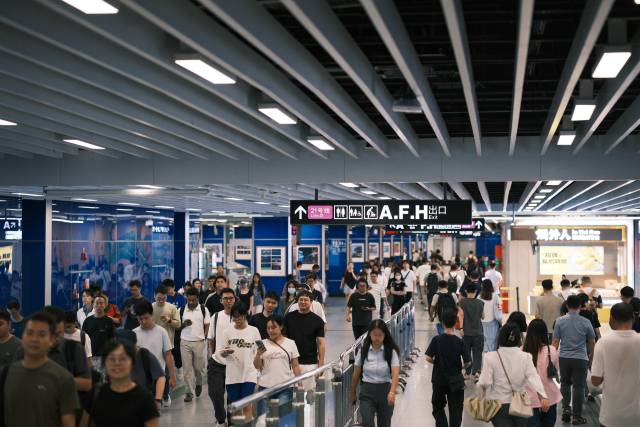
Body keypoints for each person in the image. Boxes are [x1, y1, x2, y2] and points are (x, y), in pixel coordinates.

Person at [4, 312, 78, 427]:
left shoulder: (64, 378)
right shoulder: (6, 374)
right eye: (29, 333)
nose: (34, 339)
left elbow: (68, 422)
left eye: (42, 334)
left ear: (52, 340)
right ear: (22, 336)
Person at [478, 322, 550, 427]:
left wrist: (484, 398)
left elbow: (485, 382)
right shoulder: (526, 357)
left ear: (500, 337)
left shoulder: (490, 357)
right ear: (519, 339)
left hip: (498, 405)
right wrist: (543, 396)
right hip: (521, 403)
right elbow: (534, 377)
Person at [85, 339, 160, 427]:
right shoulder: (96, 395)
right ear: (104, 364)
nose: (117, 363)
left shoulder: (145, 399)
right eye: (112, 359)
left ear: (132, 363)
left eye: (123, 359)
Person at [591, 302, 640, 427]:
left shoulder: (603, 343)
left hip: (611, 416)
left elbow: (595, 381)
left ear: (611, 319)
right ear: (633, 318)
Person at [552, 295, 595, 425]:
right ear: (580, 306)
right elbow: (591, 340)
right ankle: (576, 416)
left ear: (566, 305)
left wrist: (552, 358)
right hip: (581, 358)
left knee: (565, 383)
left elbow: (555, 342)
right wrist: (591, 355)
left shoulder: (559, 321)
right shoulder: (586, 322)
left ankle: (566, 409)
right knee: (579, 386)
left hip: (564, 357)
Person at [350, 319, 401, 427]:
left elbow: (395, 374)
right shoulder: (363, 351)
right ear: (369, 334)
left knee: (384, 423)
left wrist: (392, 392)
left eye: (380, 335)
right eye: (374, 335)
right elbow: (356, 374)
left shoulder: (391, 352)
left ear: (385, 335)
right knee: (367, 422)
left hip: (385, 392)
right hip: (367, 392)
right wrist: (353, 391)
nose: (377, 338)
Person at [216, 302, 261, 422]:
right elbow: (221, 352)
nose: (237, 319)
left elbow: (260, 349)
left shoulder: (254, 331)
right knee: (236, 407)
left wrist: (259, 366)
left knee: (246, 405)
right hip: (232, 375)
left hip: (249, 374)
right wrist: (225, 352)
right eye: (235, 317)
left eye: (240, 316)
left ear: (245, 315)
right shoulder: (226, 332)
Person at [425, 310, 471, 427]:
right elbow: (468, 362)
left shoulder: (436, 340)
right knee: (456, 409)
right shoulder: (460, 342)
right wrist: (461, 367)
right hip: (456, 379)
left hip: (439, 379)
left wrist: (437, 363)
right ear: (456, 323)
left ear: (442, 323)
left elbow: (428, 358)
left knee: (438, 406)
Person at [253, 315, 301, 417]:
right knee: (263, 419)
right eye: (268, 328)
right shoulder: (262, 344)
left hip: (285, 386)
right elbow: (257, 366)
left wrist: (300, 384)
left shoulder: (290, 343)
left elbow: (295, 365)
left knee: (283, 418)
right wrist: (258, 354)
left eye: (274, 327)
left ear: (281, 327)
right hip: (265, 387)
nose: (271, 330)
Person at [133, 300, 176, 408]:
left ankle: (164, 396)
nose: (143, 321)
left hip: (158, 376)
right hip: (141, 377)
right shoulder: (134, 333)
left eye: (146, 318)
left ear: (151, 315)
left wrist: (172, 377)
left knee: (153, 407)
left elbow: (168, 355)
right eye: (140, 319)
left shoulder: (161, 332)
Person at [283, 290, 325, 394]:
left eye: (306, 300)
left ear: (311, 302)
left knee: (309, 395)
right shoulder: (289, 317)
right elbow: (284, 338)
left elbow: (321, 343)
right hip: (290, 363)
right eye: (300, 300)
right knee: (290, 395)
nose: (303, 302)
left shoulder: (318, 321)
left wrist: (321, 364)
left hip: (309, 364)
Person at [522, 319, 562, 427]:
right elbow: (557, 370)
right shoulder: (551, 350)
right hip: (549, 396)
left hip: (529, 397)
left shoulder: (522, 351)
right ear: (545, 333)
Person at [207, 287, 236, 427]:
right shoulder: (216, 317)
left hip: (234, 363)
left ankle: (232, 421)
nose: (228, 301)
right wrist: (211, 357)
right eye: (225, 298)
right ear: (221, 300)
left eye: (231, 298)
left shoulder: (240, 318)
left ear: (235, 300)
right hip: (217, 362)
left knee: (232, 396)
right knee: (215, 392)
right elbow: (210, 339)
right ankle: (221, 419)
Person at [179, 287, 210, 403]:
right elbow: (177, 326)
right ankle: (188, 392)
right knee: (187, 369)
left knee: (198, 368)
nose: (191, 302)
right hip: (185, 341)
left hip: (199, 341)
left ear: (197, 298)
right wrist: (184, 324)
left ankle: (199, 383)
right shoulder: (181, 309)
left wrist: (205, 337)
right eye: (189, 300)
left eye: (193, 300)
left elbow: (207, 324)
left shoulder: (203, 309)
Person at [82, 293, 115, 370]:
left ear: (105, 305)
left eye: (101, 303)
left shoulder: (109, 321)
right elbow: (83, 339)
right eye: (97, 303)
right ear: (93, 304)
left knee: (104, 377)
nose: (99, 305)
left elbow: (113, 340)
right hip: (90, 356)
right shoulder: (87, 321)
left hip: (105, 357)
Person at [459, 285, 484, 380]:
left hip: (467, 332)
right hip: (478, 332)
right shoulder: (480, 303)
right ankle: (477, 373)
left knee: (466, 353)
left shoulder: (462, 302)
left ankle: (467, 373)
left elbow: (461, 315)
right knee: (478, 353)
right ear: (476, 291)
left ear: (466, 291)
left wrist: (461, 328)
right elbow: (483, 316)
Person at [480, 279, 502, 352]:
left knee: (484, 346)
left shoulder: (479, 297)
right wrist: (501, 322)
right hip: (493, 324)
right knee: (493, 346)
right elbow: (499, 313)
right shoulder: (495, 296)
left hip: (481, 324)